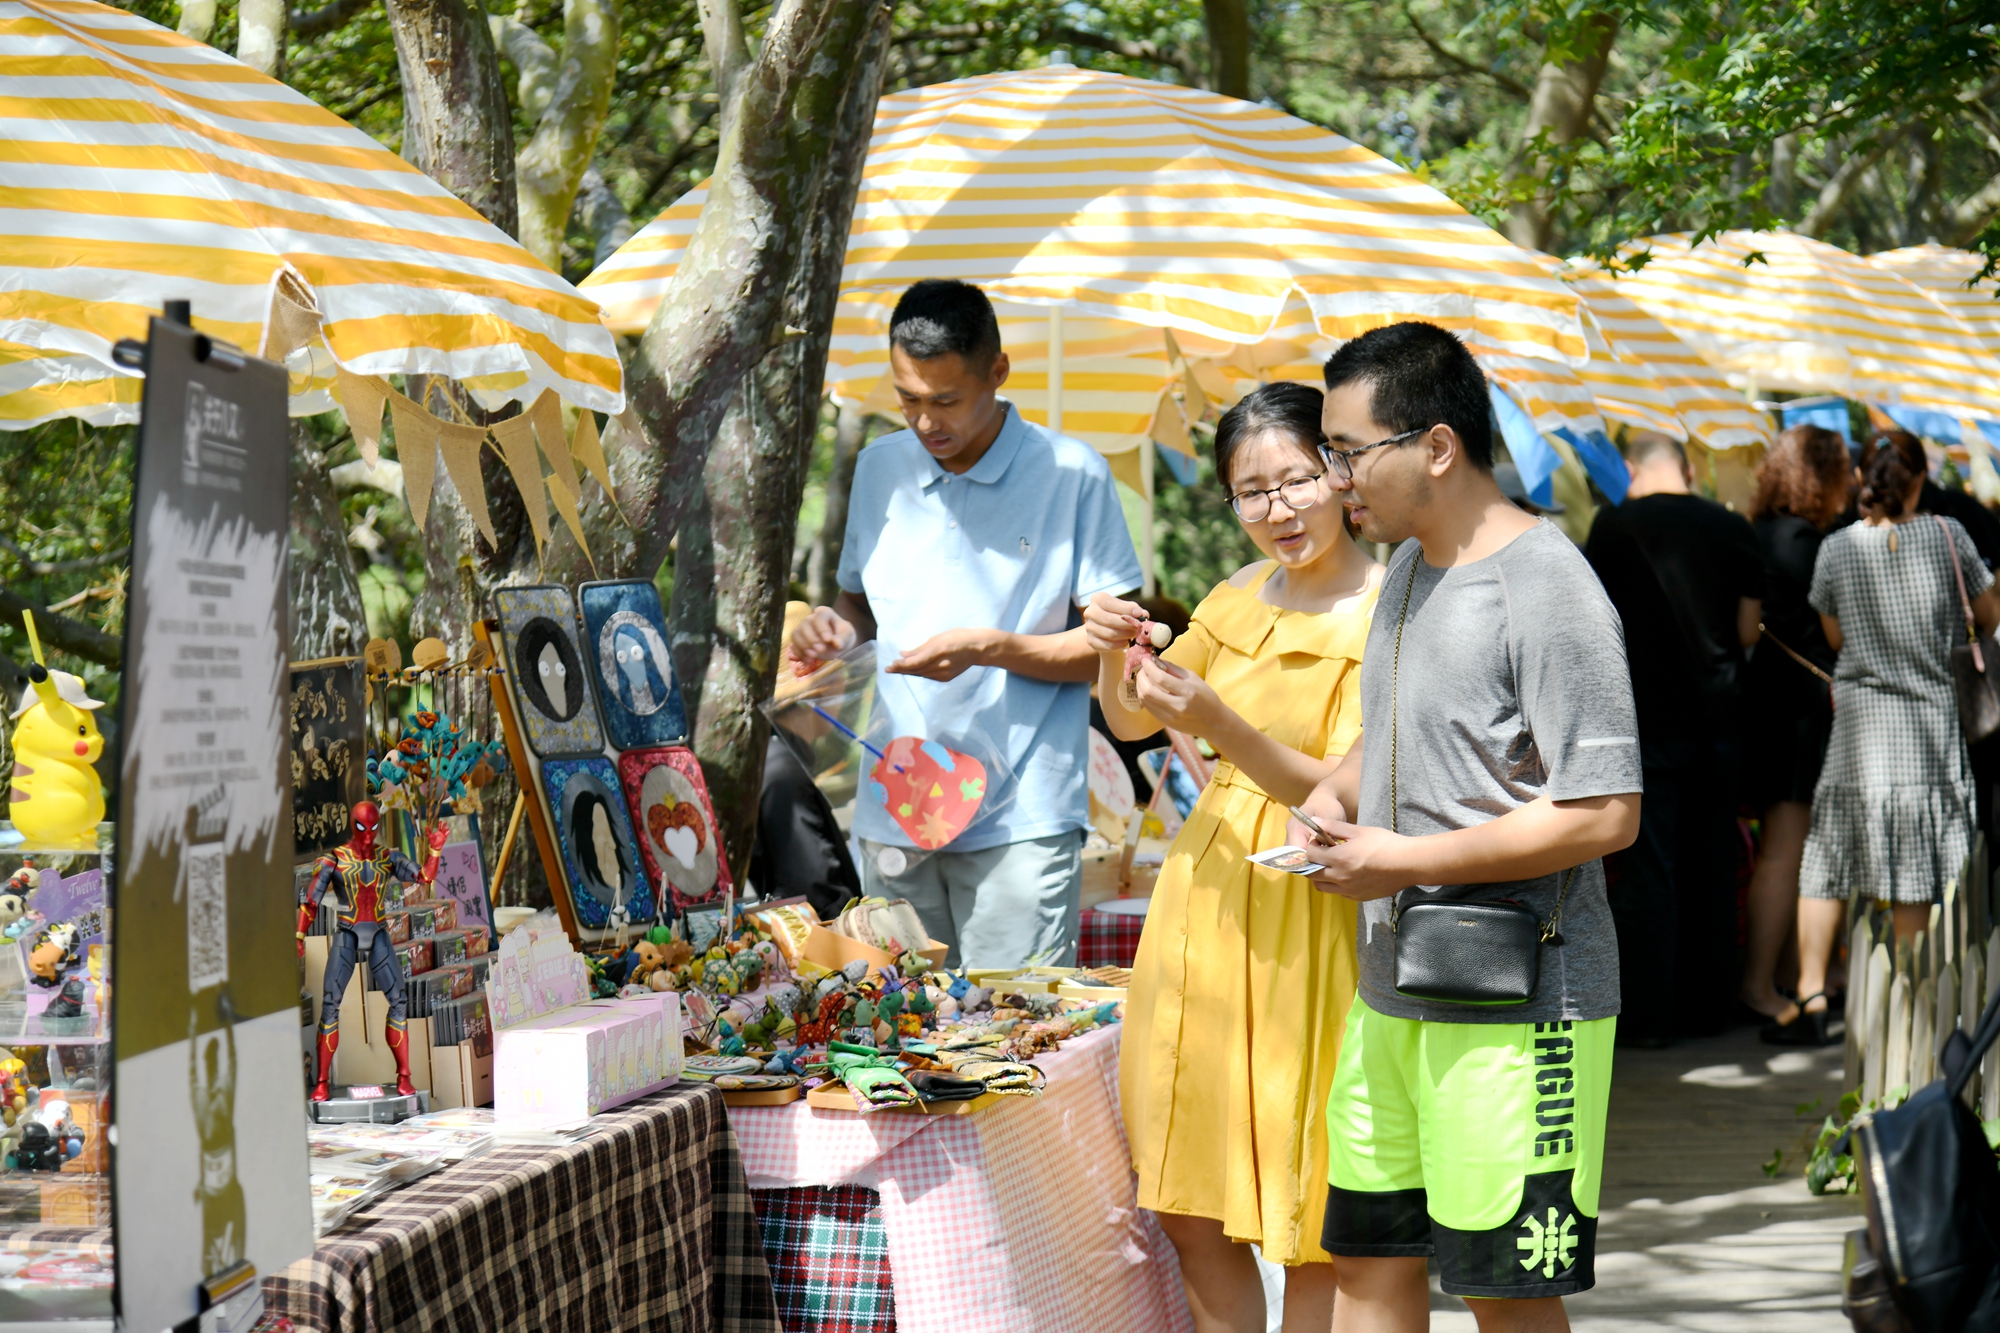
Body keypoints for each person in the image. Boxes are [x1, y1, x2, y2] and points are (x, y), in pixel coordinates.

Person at [1288, 321, 1642, 1332]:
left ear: (1434, 446)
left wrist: (1402, 858)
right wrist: (1335, 798)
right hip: (1390, 991)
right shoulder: (1406, 566)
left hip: (1521, 1007)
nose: (1330, 478)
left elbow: (1604, 811)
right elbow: (1394, 738)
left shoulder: (1549, 585)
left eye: (1346, 452)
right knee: (1364, 1266)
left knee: (1501, 1291)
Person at [1091, 382, 1383, 1333]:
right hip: (1207, 898)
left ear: (1342, 473)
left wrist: (1218, 720)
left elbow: (1340, 788)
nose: (1277, 510)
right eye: (1250, 492)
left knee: (1308, 1207)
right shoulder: (1232, 595)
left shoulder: (1389, 608)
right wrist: (1114, 653)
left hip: (1314, 905)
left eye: (1296, 478)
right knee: (1187, 1189)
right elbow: (1137, 716)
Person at [789, 279, 1142, 968]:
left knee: (1015, 1041)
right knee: (900, 1029)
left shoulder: (1074, 474)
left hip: (1022, 817)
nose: (925, 423)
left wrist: (990, 649)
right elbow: (857, 606)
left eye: (946, 400)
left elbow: (1119, 648)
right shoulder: (878, 468)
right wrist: (832, 630)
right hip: (894, 802)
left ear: (999, 373)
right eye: (907, 400)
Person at [1765, 431, 2000, 1044]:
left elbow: (1835, 637)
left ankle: (1812, 994)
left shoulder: (1837, 549)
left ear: (1865, 475)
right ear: (1921, 478)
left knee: (1828, 861)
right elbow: (1988, 616)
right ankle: (1907, 999)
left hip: (1859, 726)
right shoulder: (1951, 537)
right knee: (1915, 861)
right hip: (1927, 724)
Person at [1583, 433, 1763, 1043]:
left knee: (1647, 872)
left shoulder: (1614, 526)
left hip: (1642, 722)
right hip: (1720, 721)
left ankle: (1650, 1019)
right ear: (1689, 467)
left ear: (1631, 470)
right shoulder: (1731, 527)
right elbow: (1744, 631)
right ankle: (1710, 1010)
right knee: (1712, 866)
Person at [1738, 427, 1851, 1020]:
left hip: (1763, 702)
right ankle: (1763, 984)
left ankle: (1779, 978)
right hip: (1804, 708)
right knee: (1789, 848)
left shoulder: (1755, 535)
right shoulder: (1813, 542)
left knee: (1783, 848)